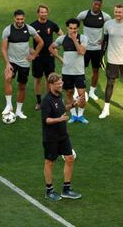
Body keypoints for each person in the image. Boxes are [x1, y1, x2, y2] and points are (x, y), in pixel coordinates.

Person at [41, 73, 82, 201]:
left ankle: (66, 189)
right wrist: (59, 119)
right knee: (49, 162)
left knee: (69, 158)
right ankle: (49, 190)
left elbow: (62, 109)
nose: (61, 85)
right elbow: (46, 120)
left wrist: (74, 104)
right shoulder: (46, 101)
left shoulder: (60, 96)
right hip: (51, 137)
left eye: (61, 83)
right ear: (51, 85)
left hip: (63, 135)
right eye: (58, 84)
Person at [1, 9, 44, 118]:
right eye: (18, 19)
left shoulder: (29, 29)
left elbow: (41, 42)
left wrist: (34, 55)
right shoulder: (8, 30)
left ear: (24, 18)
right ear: (14, 18)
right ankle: (9, 105)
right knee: (7, 78)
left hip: (24, 63)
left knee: (22, 86)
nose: (20, 21)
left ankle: (19, 111)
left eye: (22, 19)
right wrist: (7, 64)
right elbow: (3, 49)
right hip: (12, 62)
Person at [49, 18, 89, 124]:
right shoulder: (62, 39)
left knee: (82, 95)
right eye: (70, 28)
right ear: (67, 28)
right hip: (67, 73)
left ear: (78, 28)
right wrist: (60, 58)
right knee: (69, 93)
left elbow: (82, 52)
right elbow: (51, 48)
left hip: (79, 72)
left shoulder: (83, 38)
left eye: (75, 28)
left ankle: (80, 115)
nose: (72, 30)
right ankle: (73, 115)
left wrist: (74, 39)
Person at [77, 0, 111, 100]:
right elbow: (74, 24)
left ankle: (92, 92)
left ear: (101, 5)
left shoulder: (105, 17)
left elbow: (110, 29)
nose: (96, 6)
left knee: (96, 70)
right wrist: (78, 38)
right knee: (80, 70)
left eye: (99, 5)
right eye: (95, 4)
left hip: (97, 49)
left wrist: (104, 39)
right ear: (92, 4)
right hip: (85, 49)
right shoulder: (83, 15)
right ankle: (77, 90)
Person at [30, 4, 63, 111]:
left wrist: (56, 48)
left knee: (49, 79)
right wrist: (31, 50)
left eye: (45, 12)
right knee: (37, 79)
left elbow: (61, 35)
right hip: (38, 58)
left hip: (49, 57)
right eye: (41, 12)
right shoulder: (32, 26)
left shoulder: (52, 24)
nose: (43, 14)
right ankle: (39, 102)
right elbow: (24, 40)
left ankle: (49, 100)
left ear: (47, 13)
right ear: (38, 13)